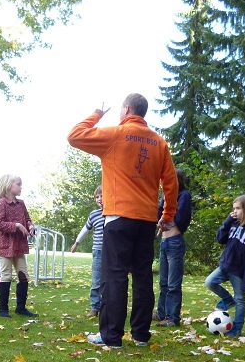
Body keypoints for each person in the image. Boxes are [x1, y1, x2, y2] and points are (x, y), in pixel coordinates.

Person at [68, 93, 178, 348]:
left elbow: (75, 135)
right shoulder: (159, 142)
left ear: (126, 109)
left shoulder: (115, 135)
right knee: (142, 276)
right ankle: (140, 335)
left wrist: (96, 114)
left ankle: (111, 336)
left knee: (114, 276)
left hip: (118, 217)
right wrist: (167, 216)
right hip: (146, 220)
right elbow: (171, 184)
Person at [204, 195, 245, 337]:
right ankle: (227, 300)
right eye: (233, 209)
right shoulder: (234, 223)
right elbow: (220, 239)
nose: (235, 211)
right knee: (210, 282)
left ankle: (237, 328)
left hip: (238, 270)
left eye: (238, 208)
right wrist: (228, 221)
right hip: (225, 265)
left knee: (240, 299)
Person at [0, 175, 38, 318]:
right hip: (5, 245)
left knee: (23, 275)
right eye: (18, 184)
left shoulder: (21, 204)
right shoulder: (1, 204)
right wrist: (17, 226)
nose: (20, 187)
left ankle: (21, 308)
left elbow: (28, 219)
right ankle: (3, 309)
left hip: (19, 245)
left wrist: (30, 226)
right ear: (8, 186)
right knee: (5, 275)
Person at [154, 171, 192, 327]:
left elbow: (180, 218)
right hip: (165, 242)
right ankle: (161, 313)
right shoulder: (166, 197)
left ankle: (172, 317)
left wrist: (164, 219)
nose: (165, 184)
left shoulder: (184, 195)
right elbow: (158, 215)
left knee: (173, 284)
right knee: (163, 282)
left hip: (175, 242)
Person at [70, 185, 104, 318]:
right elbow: (86, 229)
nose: (99, 199)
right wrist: (76, 243)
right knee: (96, 281)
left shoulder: (113, 212)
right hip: (98, 252)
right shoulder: (94, 214)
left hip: (112, 252)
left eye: (102, 196)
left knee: (109, 281)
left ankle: (107, 307)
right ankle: (94, 307)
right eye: (97, 197)